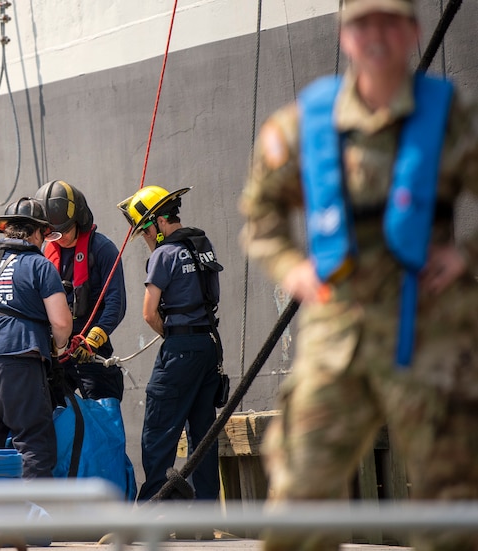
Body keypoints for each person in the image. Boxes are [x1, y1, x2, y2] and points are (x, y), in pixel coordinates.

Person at [239, 0, 478, 549]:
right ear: (345, 37)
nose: (376, 36)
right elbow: (261, 210)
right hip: (337, 332)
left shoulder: (450, 117)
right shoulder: (306, 122)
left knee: (453, 499)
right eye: (362, 24)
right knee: (300, 492)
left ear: (413, 32)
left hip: (429, 328)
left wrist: (467, 256)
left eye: (389, 24)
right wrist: (291, 267)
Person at [117, 185, 224, 502]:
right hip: (209, 346)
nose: (146, 239)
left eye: (145, 232)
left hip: (180, 351)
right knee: (203, 436)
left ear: (157, 223)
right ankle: (204, 516)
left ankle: (153, 510)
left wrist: (174, 338)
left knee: (158, 432)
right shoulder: (202, 246)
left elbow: (149, 314)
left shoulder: (164, 255)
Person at [0, 197, 72, 478]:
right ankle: (32, 520)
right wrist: (59, 347)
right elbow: (61, 322)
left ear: (7, 229)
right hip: (18, 365)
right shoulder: (39, 264)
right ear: (37, 232)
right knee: (34, 446)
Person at [34, 180, 127, 400]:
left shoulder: (102, 249)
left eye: (64, 230)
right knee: (53, 413)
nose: (60, 238)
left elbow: (116, 302)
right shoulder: (45, 255)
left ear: (79, 219)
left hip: (90, 350)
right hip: (58, 354)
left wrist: (93, 339)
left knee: (102, 414)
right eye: (52, 234)